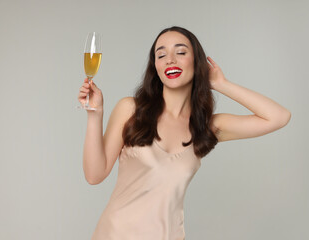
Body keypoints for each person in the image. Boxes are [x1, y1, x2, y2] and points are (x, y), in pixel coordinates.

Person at [78, 26, 291, 240]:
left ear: (197, 62)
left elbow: (279, 117)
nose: (170, 60)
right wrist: (95, 114)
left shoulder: (206, 127)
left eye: (180, 52)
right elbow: (94, 175)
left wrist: (221, 84)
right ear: (156, 67)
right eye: (161, 55)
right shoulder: (131, 110)